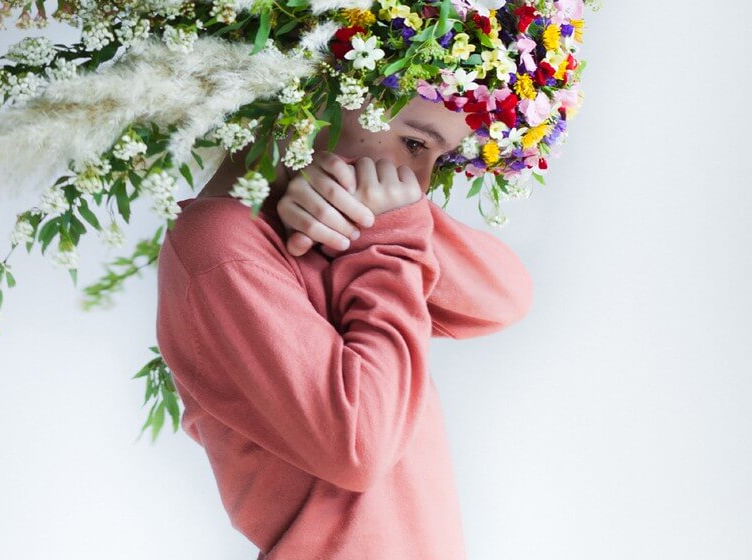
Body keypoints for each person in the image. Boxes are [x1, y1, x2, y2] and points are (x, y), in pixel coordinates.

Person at [155, 93, 534, 559]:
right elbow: (360, 447)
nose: (420, 182)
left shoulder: (347, 232)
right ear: (312, 93)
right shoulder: (221, 242)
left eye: (441, 158)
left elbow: (504, 298)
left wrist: (390, 216)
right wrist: (392, 237)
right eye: (414, 143)